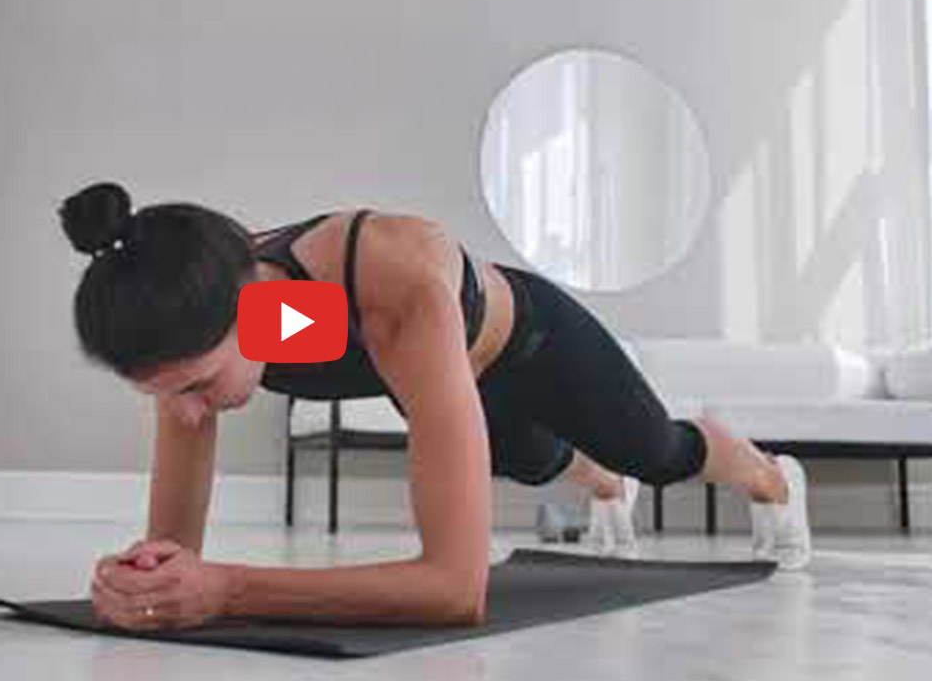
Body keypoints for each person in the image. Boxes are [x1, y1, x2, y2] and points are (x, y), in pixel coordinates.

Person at [59, 181, 811, 631]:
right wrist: (147, 579)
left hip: (531, 345)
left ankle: (772, 477)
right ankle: (605, 487)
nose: (185, 415)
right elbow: (174, 552)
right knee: (535, 462)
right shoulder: (198, 314)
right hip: (438, 378)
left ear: (250, 309)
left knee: (657, 452)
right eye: (165, 395)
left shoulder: (392, 292)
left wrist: (225, 589)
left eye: (195, 387)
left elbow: (454, 590)